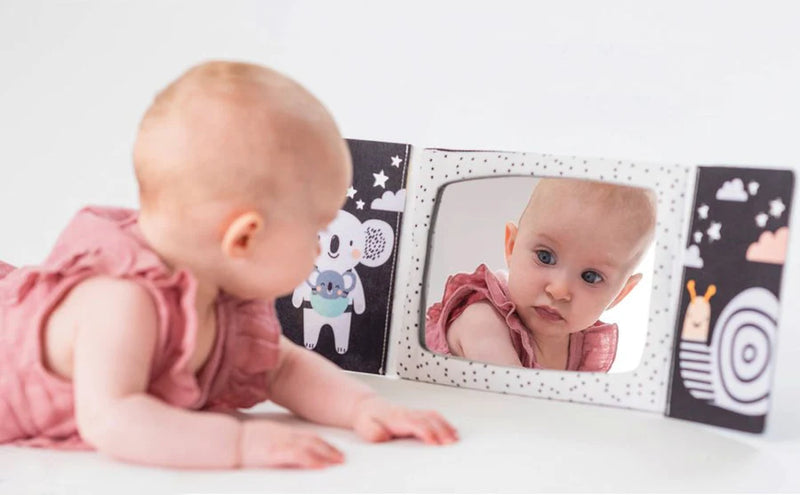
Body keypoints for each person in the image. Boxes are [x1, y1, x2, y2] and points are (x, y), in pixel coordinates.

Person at [0, 61, 457, 469]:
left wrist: (362, 408)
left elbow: (284, 368)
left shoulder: (222, 300)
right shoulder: (122, 299)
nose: (322, 252)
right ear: (244, 237)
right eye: (317, 230)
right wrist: (239, 443)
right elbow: (113, 417)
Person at [425, 178, 656, 372]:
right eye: (545, 257)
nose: (559, 290)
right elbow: (512, 404)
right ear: (512, 246)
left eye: (591, 277)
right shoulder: (483, 322)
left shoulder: (583, 346)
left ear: (620, 294)